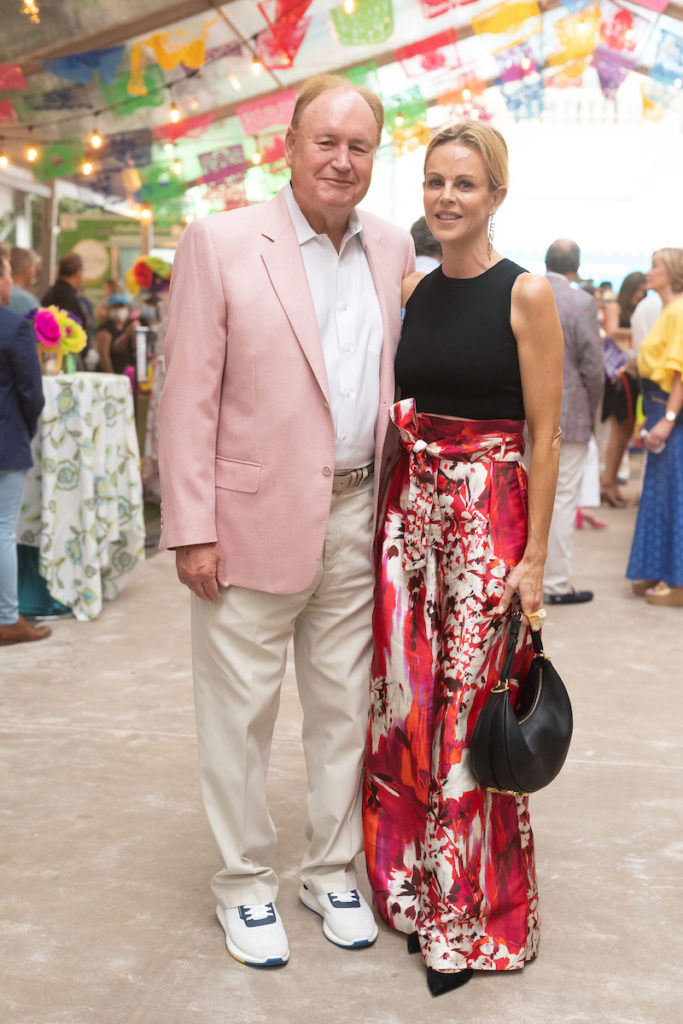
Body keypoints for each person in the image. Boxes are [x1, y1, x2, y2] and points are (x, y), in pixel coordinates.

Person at [158, 74, 415, 968]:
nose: (341, 160)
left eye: (359, 147)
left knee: (345, 709)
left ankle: (329, 868)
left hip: (355, 512)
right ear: (289, 144)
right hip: (244, 519)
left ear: (375, 157)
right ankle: (243, 882)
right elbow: (184, 393)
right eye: (326, 142)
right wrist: (191, 524)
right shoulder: (222, 240)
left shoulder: (390, 248)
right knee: (239, 716)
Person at [362, 121, 564, 996]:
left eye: (465, 185)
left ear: (496, 197)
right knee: (407, 705)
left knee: (466, 713)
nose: (446, 197)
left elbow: (548, 435)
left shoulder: (527, 296)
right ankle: (413, 889)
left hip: (490, 524)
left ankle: (467, 916)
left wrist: (533, 560)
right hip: (412, 525)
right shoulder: (411, 288)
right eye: (435, 182)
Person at [542, 239, 604, 605]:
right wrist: (591, 407)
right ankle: (555, 584)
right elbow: (593, 366)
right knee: (564, 498)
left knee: (530, 493)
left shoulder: (524, 290)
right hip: (572, 411)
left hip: (525, 411)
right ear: (576, 269)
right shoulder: (581, 301)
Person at [0, 244, 51, 646]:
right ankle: (7, 618)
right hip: (6, 442)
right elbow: (32, 394)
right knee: (3, 531)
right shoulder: (14, 326)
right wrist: (25, 428)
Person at [626, 247, 683, 606]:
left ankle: (676, 579)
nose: (649, 272)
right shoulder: (668, 310)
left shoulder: (678, 310)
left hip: (669, 412)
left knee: (672, 496)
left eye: (655, 266)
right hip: (658, 406)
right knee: (660, 495)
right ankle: (659, 567)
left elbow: (680, 372)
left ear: (672, 271)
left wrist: (668, 418)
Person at [600, 271, 647, 507]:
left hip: (632, 375)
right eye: (638, 290)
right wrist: (641, 332)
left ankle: (612, 485)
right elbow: (611, 331)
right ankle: (608, 485)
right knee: (618, 435)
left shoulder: (636, 310)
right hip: (619, 377)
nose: (641, 295)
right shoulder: (615, 307)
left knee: (625, 434)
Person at [8, 247, 39, 317]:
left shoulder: (3, 294)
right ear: (28, 270)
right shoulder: (28, 301)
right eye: (33, 267)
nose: (35, 272)